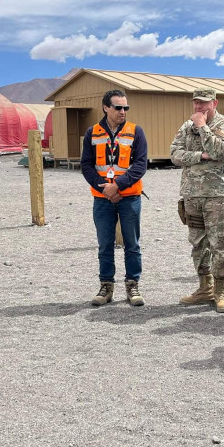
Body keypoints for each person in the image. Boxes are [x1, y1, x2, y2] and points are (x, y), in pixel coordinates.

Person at [171, 89, 224, 313]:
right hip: (192, 195)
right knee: (198, 244)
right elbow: (174, 154)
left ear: (214, 103)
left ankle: (220, 292)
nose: (199, 108)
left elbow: (219, 151)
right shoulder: (186, 126)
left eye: (204, 104)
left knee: (220, 244)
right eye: (196, 104)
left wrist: (202, 127)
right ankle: (205, 288)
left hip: (218, 195)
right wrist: (199, 156)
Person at [80, 89, 148, 306]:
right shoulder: (92, 133)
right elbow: (86, 165)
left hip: (130, 198)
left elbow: (140, 164)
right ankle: (106, 286)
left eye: (125, 107)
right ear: (105, 107)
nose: (123, 111)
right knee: (105, 244)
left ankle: (132, 285)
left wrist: (117, 185)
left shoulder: (136, 132)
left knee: (132, 244)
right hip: (102, 199)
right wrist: (105, 190)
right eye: (118, 107)